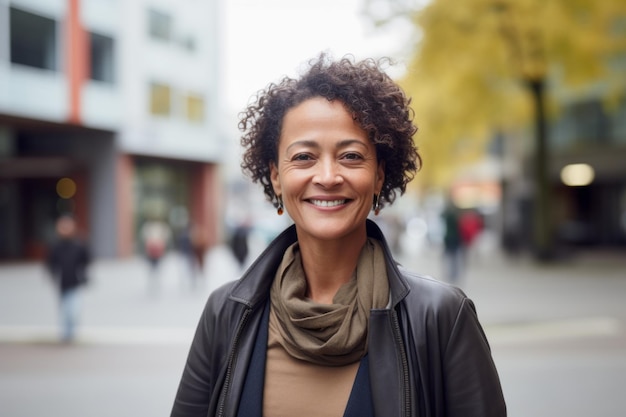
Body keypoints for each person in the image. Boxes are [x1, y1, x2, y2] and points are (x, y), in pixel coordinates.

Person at [171, 54, 506, 417]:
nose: (328, 176)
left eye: (350, 156)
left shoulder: (440, 316)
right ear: (276, 176)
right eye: (303, 157)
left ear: (379, 176)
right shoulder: (226, 313)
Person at [46, 215, 90, 343]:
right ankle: (65, 334)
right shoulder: (55, 246)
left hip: (75, 283)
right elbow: (50, 263)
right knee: (64, 310)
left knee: (73, 310)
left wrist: (84, 275)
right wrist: (52, 274)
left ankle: (71, 332)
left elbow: (86, 260)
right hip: (61, 283)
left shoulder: (78, 245)